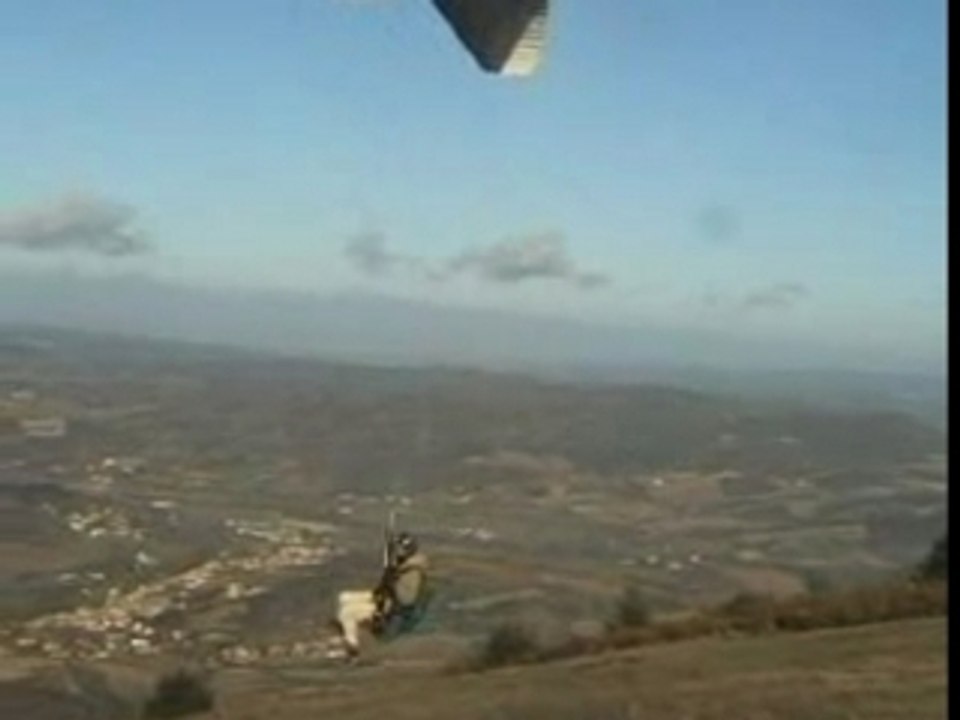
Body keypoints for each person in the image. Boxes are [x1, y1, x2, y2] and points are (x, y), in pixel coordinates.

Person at [332, 531, 431, 660]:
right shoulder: (404, 567)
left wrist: (392, 583)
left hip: (388, 607)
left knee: (347, 613)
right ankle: (348, 633)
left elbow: (406, 600)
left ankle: (353, 648)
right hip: (384, 598)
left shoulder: (412, 573)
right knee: (343, 598)